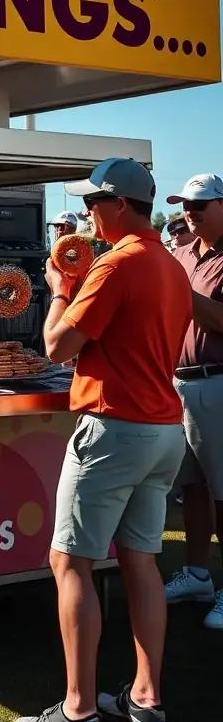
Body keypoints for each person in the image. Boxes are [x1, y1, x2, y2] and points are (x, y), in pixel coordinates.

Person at [17, 158, 191, 722]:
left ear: (120, 205)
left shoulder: (116, 266)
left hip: (115, 428)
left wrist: (59, 289)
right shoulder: (168, 262)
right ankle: (146, 699)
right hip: (163, 427)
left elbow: (57, 347)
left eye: (94, 204)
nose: (87, 216)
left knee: (70, 563)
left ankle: (78, 709)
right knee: (141, 561)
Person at [162, 174, 223, 629]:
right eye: (186, 204)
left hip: (218, 383)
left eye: (201, 203)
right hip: (178, 384)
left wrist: (179, 291)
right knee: (192, 488)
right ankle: (199, 574)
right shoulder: (181, 254)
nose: (191, 210)